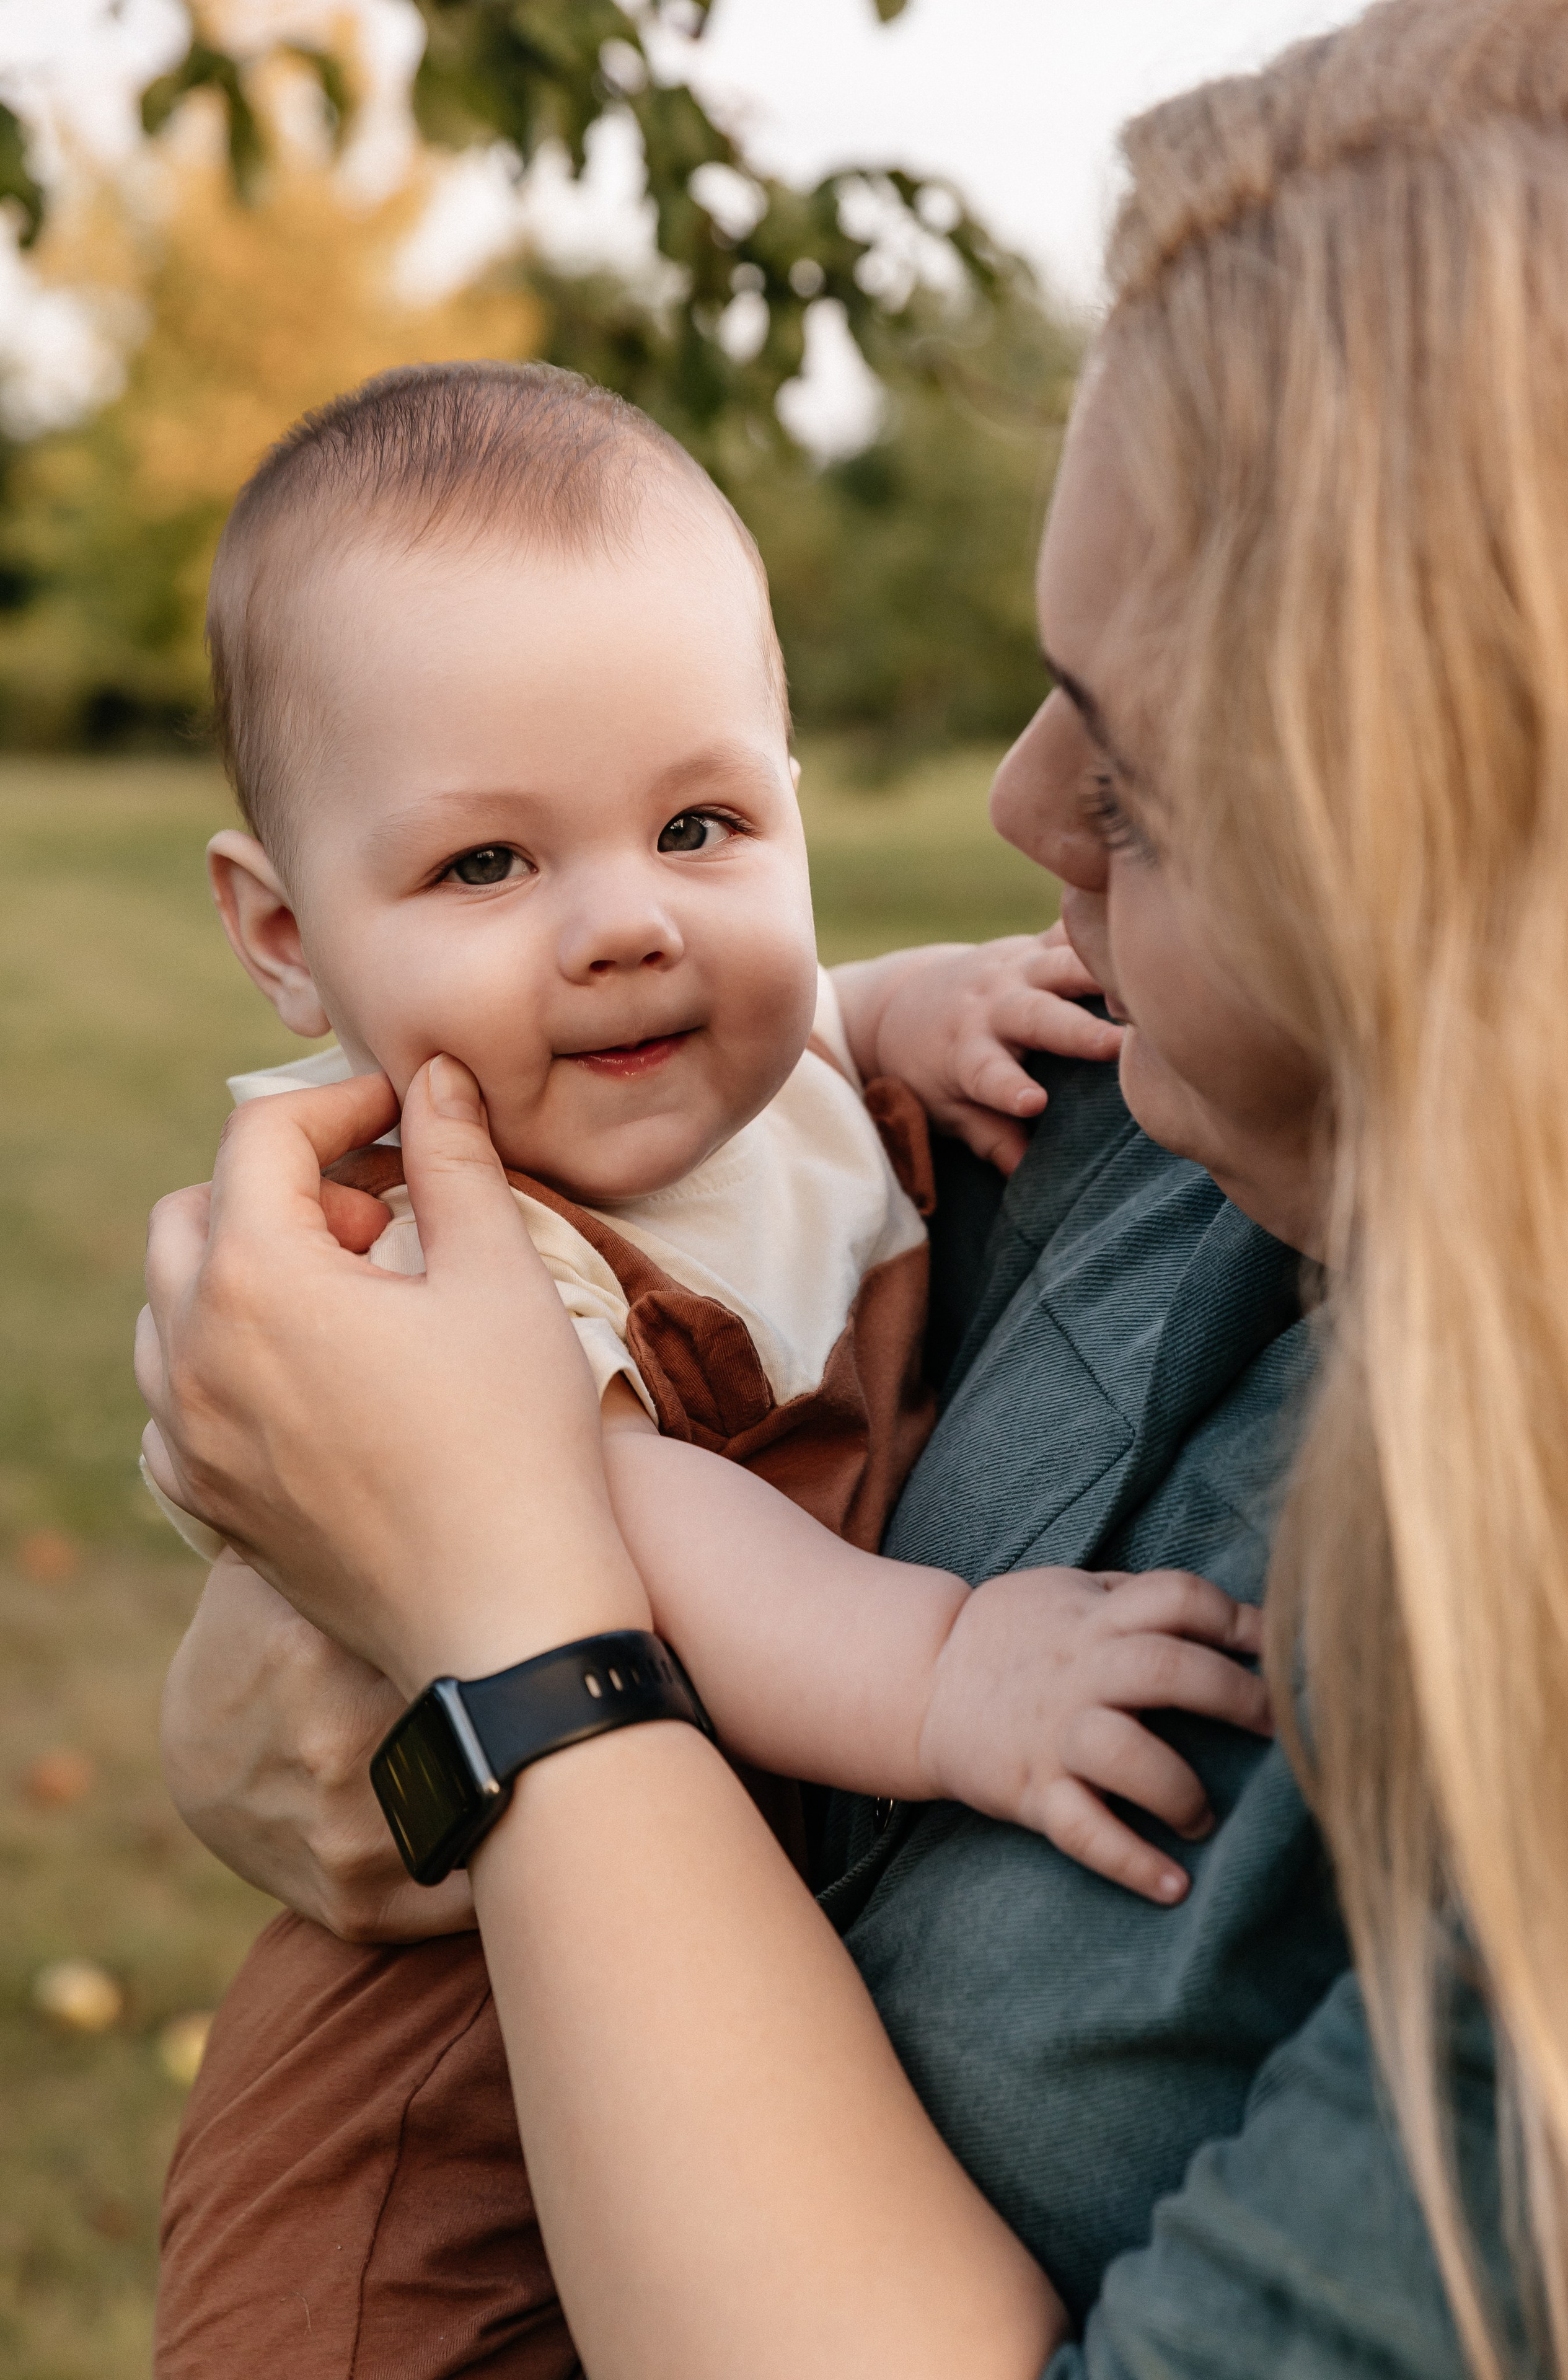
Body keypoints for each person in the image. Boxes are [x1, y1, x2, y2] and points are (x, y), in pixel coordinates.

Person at [140, 1, 1568, 2371]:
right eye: (489, 858)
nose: (1024, 817)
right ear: (283, 932)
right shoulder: (1126, 1115)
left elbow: (514, 1550)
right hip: (409, 2147)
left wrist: (492, 1673)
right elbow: (494, 1555)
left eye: (1139, 766)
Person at [148, 360, 1275, 2378]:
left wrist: (900, 1008)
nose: (626, 931)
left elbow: (798, 1038)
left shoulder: (732, 1079)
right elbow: (584, 1514)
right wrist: (937, 1669)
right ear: (284, 933)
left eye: (698, 823)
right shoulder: (423, 1227)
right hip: (432, 2073)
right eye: (486, 867)